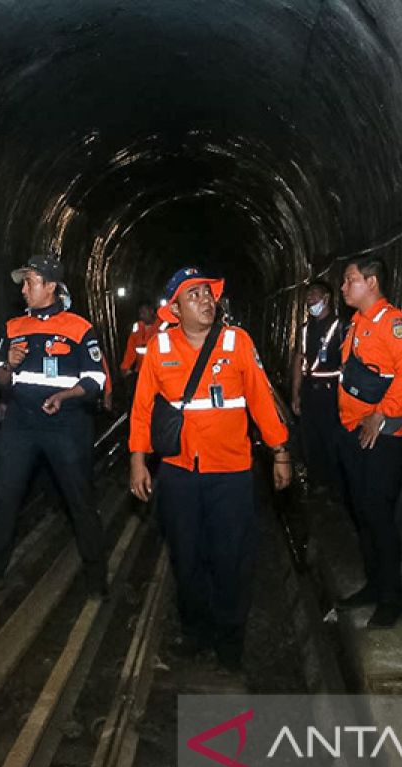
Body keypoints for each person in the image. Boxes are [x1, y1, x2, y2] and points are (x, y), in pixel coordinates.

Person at [128, 267, 291, 670]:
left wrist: (280, 452)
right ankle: (196, 632)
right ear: (176, 309)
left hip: (231, 472)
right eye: (194, 295)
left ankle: (230, 639)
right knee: (187, 557)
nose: (205, 300)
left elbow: (260, 400)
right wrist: (137, 462)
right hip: (180, 473)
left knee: (231, 557)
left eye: (207, 292)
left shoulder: (236, 342)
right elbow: (142, 409)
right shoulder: (160, 349)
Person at [0, 254, 109, 596]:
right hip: (21, 423)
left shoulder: (79, 328)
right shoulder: (13, 328)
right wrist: (9, 363)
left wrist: (65, 396)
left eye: (30, 281)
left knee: (79, 499)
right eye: (23, 282)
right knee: (5, 497)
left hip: (65, 424)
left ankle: (96, 576)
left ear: (50, 287)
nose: (23, 289)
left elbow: (95, 379)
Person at [335, 257, 402, 628]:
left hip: (384, 438)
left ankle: (391, 597)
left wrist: (381, 412)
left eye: (349, 280)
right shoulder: (357, 324)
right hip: (356, 432)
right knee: (363, 513)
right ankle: (374, 584)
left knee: (379, 515)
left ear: (371, 282)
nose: (343, 287)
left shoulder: (394, 324)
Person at [289, 280, 346, 492]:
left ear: (326, 298)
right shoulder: (305, 329)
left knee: (330, 441)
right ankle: (317, 483)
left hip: (331, 394)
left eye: (314, 295)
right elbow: (298, 359)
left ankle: (334, 487)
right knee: (309, 440)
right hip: (309, 391)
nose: (310, 300)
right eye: (308, 296)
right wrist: (295, 393)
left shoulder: (341, 327)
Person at [120, 302, 160, 376]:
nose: (141, 315)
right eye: (140, 313)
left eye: (144, 312)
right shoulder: (137, 327)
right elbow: (131, 349)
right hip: (141, 371)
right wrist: (125, 367)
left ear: (151, 311)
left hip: (158, 371)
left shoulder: (162, 327)